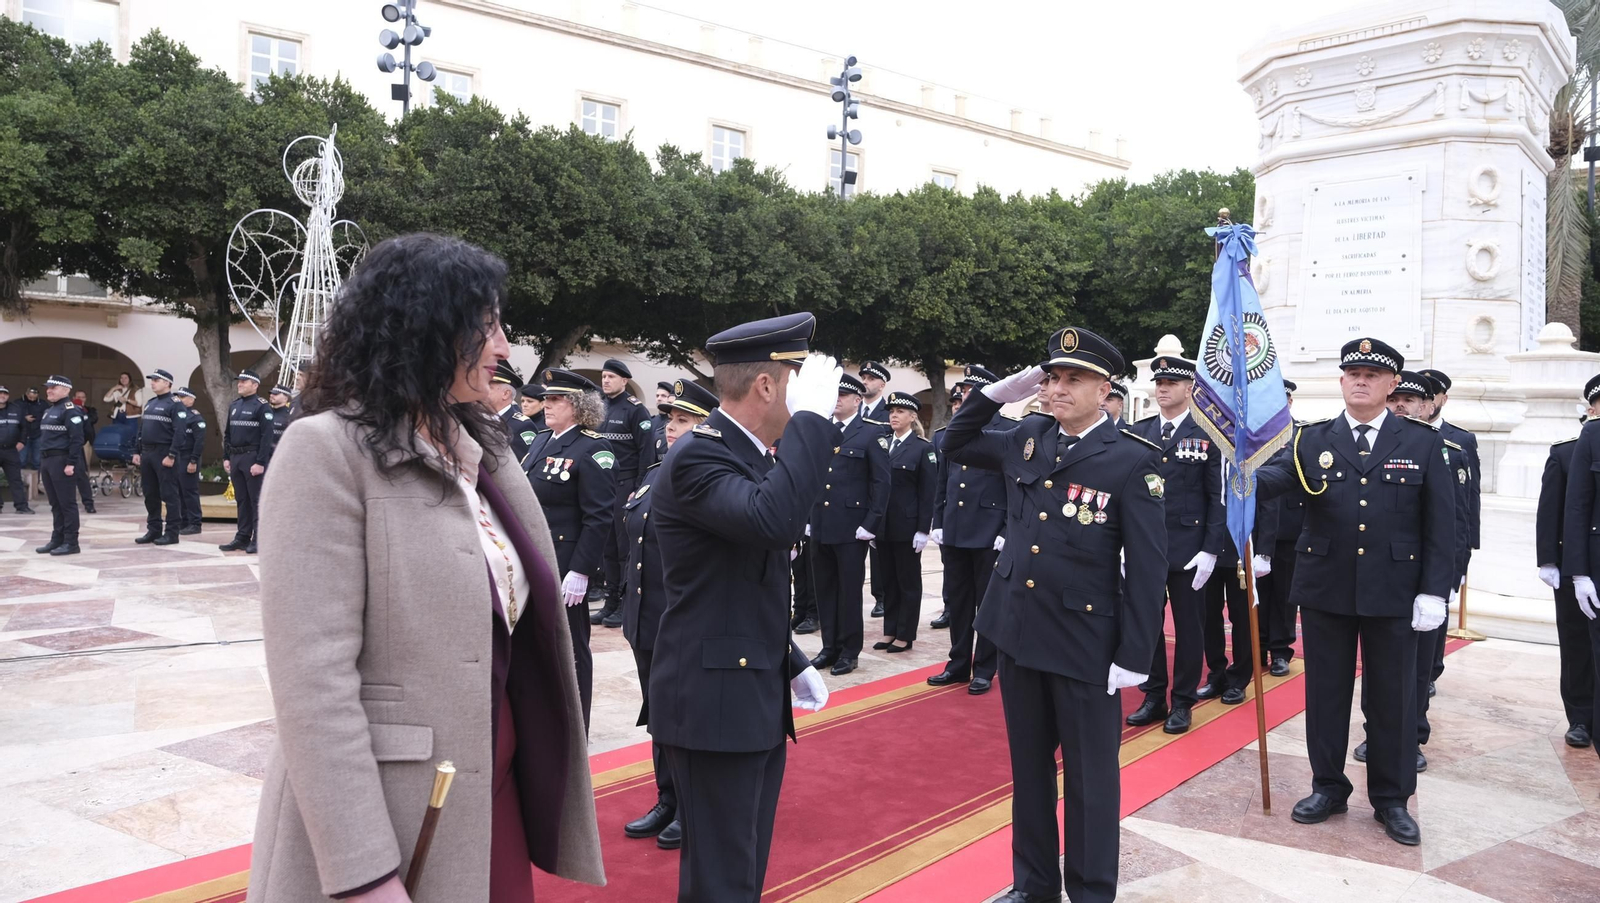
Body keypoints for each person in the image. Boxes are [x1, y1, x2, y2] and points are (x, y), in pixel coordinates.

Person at [245, 233, 603, 902]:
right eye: (487, 326)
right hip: (394, 814)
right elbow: (313, 683)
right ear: (425, 325)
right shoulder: (323, 450)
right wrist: (364, 874)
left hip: (490, 794)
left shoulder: (484, 449)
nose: (504, 347)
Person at [941, 327, 1166, 903]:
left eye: (1073, 379)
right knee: (1030, 769)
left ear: (1104, 389)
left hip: (1084, 641)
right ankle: (1034, 885)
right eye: (1052, 378)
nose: (1057, 388)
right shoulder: (1028, 435)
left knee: (1091, 779)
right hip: (1017, 630)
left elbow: (1147, 569)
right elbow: (955, 443)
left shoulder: (1132, 460)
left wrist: (1135, 654)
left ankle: (1090, 891)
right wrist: (996, 394)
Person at [647, 312, 835, 902]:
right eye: (798, 381)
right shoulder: (699, 456)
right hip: (714, 701)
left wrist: (789, 658)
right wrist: (811, 424)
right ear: (767, 385)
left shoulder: (749, 454)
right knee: (722, 879)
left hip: (748, 685)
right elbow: (774, 523)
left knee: (743, 866)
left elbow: (738, 580)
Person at [1255, 337, 1454, 847]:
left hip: (1394, 590)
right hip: (1327, 588)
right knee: (1325, 695)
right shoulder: (1312, 439)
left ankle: (1391, 799)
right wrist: (1244, 472)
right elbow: (1277, 479)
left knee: (1392, 699)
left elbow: (1441, 525)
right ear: (1342, 381)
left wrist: (1434, 592)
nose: (1360, 381)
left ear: (1392, 385)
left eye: (1372, 375)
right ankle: (1328, 787)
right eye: (1353, 374)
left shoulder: (1421, 443)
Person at [620, 378, 720, 852]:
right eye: (669, 420)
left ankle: (692, 806)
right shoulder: (655, 472)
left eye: (684, 420)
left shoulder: (708, 478)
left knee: (686, 717)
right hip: (647, 617)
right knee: (658, 714)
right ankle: (667, 797)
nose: (670, 428)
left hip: (682, 619)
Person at [1125, 356, 1225, 734]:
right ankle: (1154, 695)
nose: (1163, 388)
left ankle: (1182, 700)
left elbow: (1217, 496)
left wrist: (1211, 549)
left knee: (1189, 629)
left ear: (1189, 388)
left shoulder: (1208, 432)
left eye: (1171, 382)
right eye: (1159, 382)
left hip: (1189, 548)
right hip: (1145, 545)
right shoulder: (1139, 431)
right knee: (1147, 624)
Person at [522, 368, 616, 727]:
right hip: (536, 559)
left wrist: (581, 570)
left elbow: (599, 517)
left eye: (555, 399)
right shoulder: (542, 440)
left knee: (572, 649)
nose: (546, 404)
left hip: (565, 564)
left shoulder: (593, 448)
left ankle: (577, 727)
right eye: (546, 399)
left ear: (578, 406)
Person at [928, 366, 1011, 693]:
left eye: (971, 391)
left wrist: (1006, 529)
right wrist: (938, 521)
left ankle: (985, 668)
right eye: (964, 392)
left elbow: (1015, 486)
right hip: (956, 528)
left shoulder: (1009, 430)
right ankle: (958, 663)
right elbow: (942, 482)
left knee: (987, 603)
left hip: (990, 532)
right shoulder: (951, 431)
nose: (965, 397)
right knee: (958, 601)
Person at [808, 372, 891, 677]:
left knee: (849, 593)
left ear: (857, 400)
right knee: (825, 590)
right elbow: (812, 478)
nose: (837, 400)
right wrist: (807, 519)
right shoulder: (822, 431)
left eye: (842, 395)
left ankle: (849, 651)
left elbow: (881, 482)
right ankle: (829, 646)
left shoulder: (870, 433)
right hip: (821, 524)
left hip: (851, 528)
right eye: (835, 395)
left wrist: (871, 523)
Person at [1537, 377, 1598, 750]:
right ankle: (1580, 716)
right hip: (1571, 563)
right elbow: (1552, 511)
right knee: (1576, 643)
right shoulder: (1566, 452)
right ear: (1590, 409)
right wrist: (1548, 560)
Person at [1418, 367, 1479, 696]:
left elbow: (1468, 500)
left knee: (1435, 611)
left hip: (1445, 542)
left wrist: (1464, 554)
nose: (1427, 401)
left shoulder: (1460, 440)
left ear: (1442, 399)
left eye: (1432, 395)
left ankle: (1430, 671)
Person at [870, 391, 937, 653]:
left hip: (907, 527)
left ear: (912, 416)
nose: (894, 416)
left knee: (907, 582)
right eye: (891, 411)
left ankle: (905, 634)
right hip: (884, 526)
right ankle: (890, 630)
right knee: (888, 581)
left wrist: (923, 529)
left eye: (900, 411)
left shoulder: (922, 448)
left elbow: (927, 492)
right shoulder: (883, 444)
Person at [594, 359, 655, 629]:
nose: (606, 381)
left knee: (623, 547)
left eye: (611, 377)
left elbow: (646, 452)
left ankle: (623, 602)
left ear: (624, 381)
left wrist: (639, 488)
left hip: (626, 484)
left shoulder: (635, 410)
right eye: (604, 376)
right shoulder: (600, 406)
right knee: (607, 545)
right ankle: (610, 601)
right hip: (602, 484)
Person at [1201, 493, 1277, 706]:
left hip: (1243, 546)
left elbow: (1269, 503)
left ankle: (1238, 679)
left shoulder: (1251, 466)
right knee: (1209, 615)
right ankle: (1216, 674)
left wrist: (1264, 551)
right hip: (1210, 545)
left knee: (1242, 618)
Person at [1257, 378, 1303, 676]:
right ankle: (1257, 645)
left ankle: (1281, 650)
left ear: (1289, 402)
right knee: (1257, 593)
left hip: (1289, 527)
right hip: (1257, 525)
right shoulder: (1253, 434)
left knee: (1284, 593)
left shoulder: (1302, 434)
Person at [132, 368, 189, 546]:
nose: (152, 383)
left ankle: (172, 533)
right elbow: (142, 429)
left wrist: (172, 455)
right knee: (150, 494)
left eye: (156, 380)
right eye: (152, 380)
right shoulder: (150, 403)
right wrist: (137, 451)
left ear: (167, 383)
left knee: (169, 494)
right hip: (147, 453)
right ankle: (154, 529)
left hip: (164, 453)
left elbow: (180, 432)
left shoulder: (175, 404)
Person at [221, 370, 276, 554]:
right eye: (239, 381)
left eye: (244, 381)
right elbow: (228, 434)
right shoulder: (234, 405)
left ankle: (258, 539)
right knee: (242, 500)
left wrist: (260, 462)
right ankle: (242, 537)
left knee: (255, 500)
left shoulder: (262, 406)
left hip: (252, 458)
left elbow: (267, 437)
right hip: (236, 458)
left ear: (255, 385)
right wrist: (226, 457)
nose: (240, 383)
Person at [34, 376, 86, 556]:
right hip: (47, 460)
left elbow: (77, 439)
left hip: (61, 460)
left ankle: (71, 542)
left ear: (66, 390)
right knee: (55, 503)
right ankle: (57, 539)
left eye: (53, 387)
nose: (49, 390)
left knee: (67, 503)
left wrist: (71, 463)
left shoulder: (71, 410)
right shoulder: (49, 410)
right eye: (48, 387)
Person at [172, 387, 207, 535]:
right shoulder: (176, 415)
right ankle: (184, 521)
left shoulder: (195, 417)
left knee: (190, 492)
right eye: (178, 397)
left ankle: (195, 523)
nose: (179, 399)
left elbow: (199, 441)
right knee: (179, 491)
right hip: (177, 456)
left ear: (191, 400)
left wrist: (193, 460)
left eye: (182, 397)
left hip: (189, 457)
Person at [0, 386, 37, 515]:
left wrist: (22, 441)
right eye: (0, 393)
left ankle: (21, 506)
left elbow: (24, 428)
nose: (2, 396)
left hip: (11, 450)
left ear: (8, 396)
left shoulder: (16, 409)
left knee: (16, 479)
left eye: (5, 394)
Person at [492, 361, 536, 463]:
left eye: (490, 387)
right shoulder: (480, 418)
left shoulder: (521, 426)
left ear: (506, 394)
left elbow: (524, 465)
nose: (482, 390)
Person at [19, 386, 44, 474]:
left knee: (37, 459)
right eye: (30, 397)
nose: (32, 399)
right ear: (26, 394)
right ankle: (20, 477)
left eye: (34, 397)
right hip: (23, 434)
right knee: (21, 459)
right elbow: (14, 415)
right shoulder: (18, 403)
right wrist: (24, 417)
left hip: (38, 433)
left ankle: (37, 478)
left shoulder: (42, 404)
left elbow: (47, 416)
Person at [652, 380, 675, 456]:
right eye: (657, 396)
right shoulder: (651, 421)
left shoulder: (674, 423)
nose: (659, 399)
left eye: (663, 396)